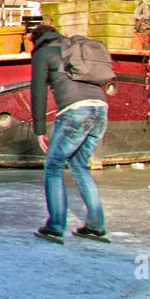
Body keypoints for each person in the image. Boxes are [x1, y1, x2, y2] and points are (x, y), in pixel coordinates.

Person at [30, 22, 111, 243]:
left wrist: (39, 130)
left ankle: (55, 226)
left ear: (35, 40)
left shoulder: (43, 53)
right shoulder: (75, 48)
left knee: (54, 166)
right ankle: (95, 226)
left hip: (75, 112)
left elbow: (38, 92)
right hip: (100, 109)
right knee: (79, 166)